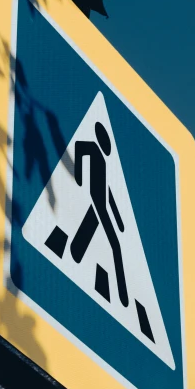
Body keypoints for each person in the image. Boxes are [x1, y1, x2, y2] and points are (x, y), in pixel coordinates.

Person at [70, 121, 129, 307]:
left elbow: (108, 192)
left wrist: (119, 219)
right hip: (96, 200)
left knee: (87, 229)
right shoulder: (94, 149)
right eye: (105, 141)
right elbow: (79, 147)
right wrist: (78, 174)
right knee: (115, 245)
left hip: (99, 202)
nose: (106, 146)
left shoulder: (102, 160)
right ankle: (123, 295)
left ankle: (75, 252)